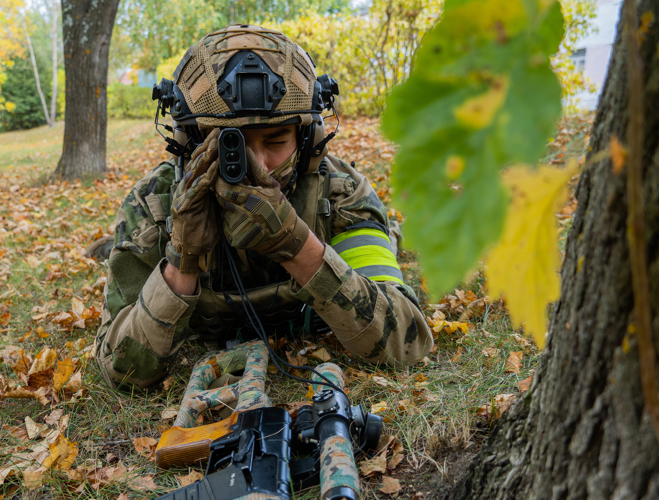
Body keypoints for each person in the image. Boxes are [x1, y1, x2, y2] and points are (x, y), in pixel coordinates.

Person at [94, 24, 433, 391]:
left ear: (308, 139)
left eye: (275, 140)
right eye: (228, 144)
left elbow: (407, 343)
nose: (258, 164)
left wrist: (294, 244)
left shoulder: (340, 195)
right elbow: (122, 371)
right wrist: (182, 259)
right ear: (188, 143)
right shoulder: (153, 204)